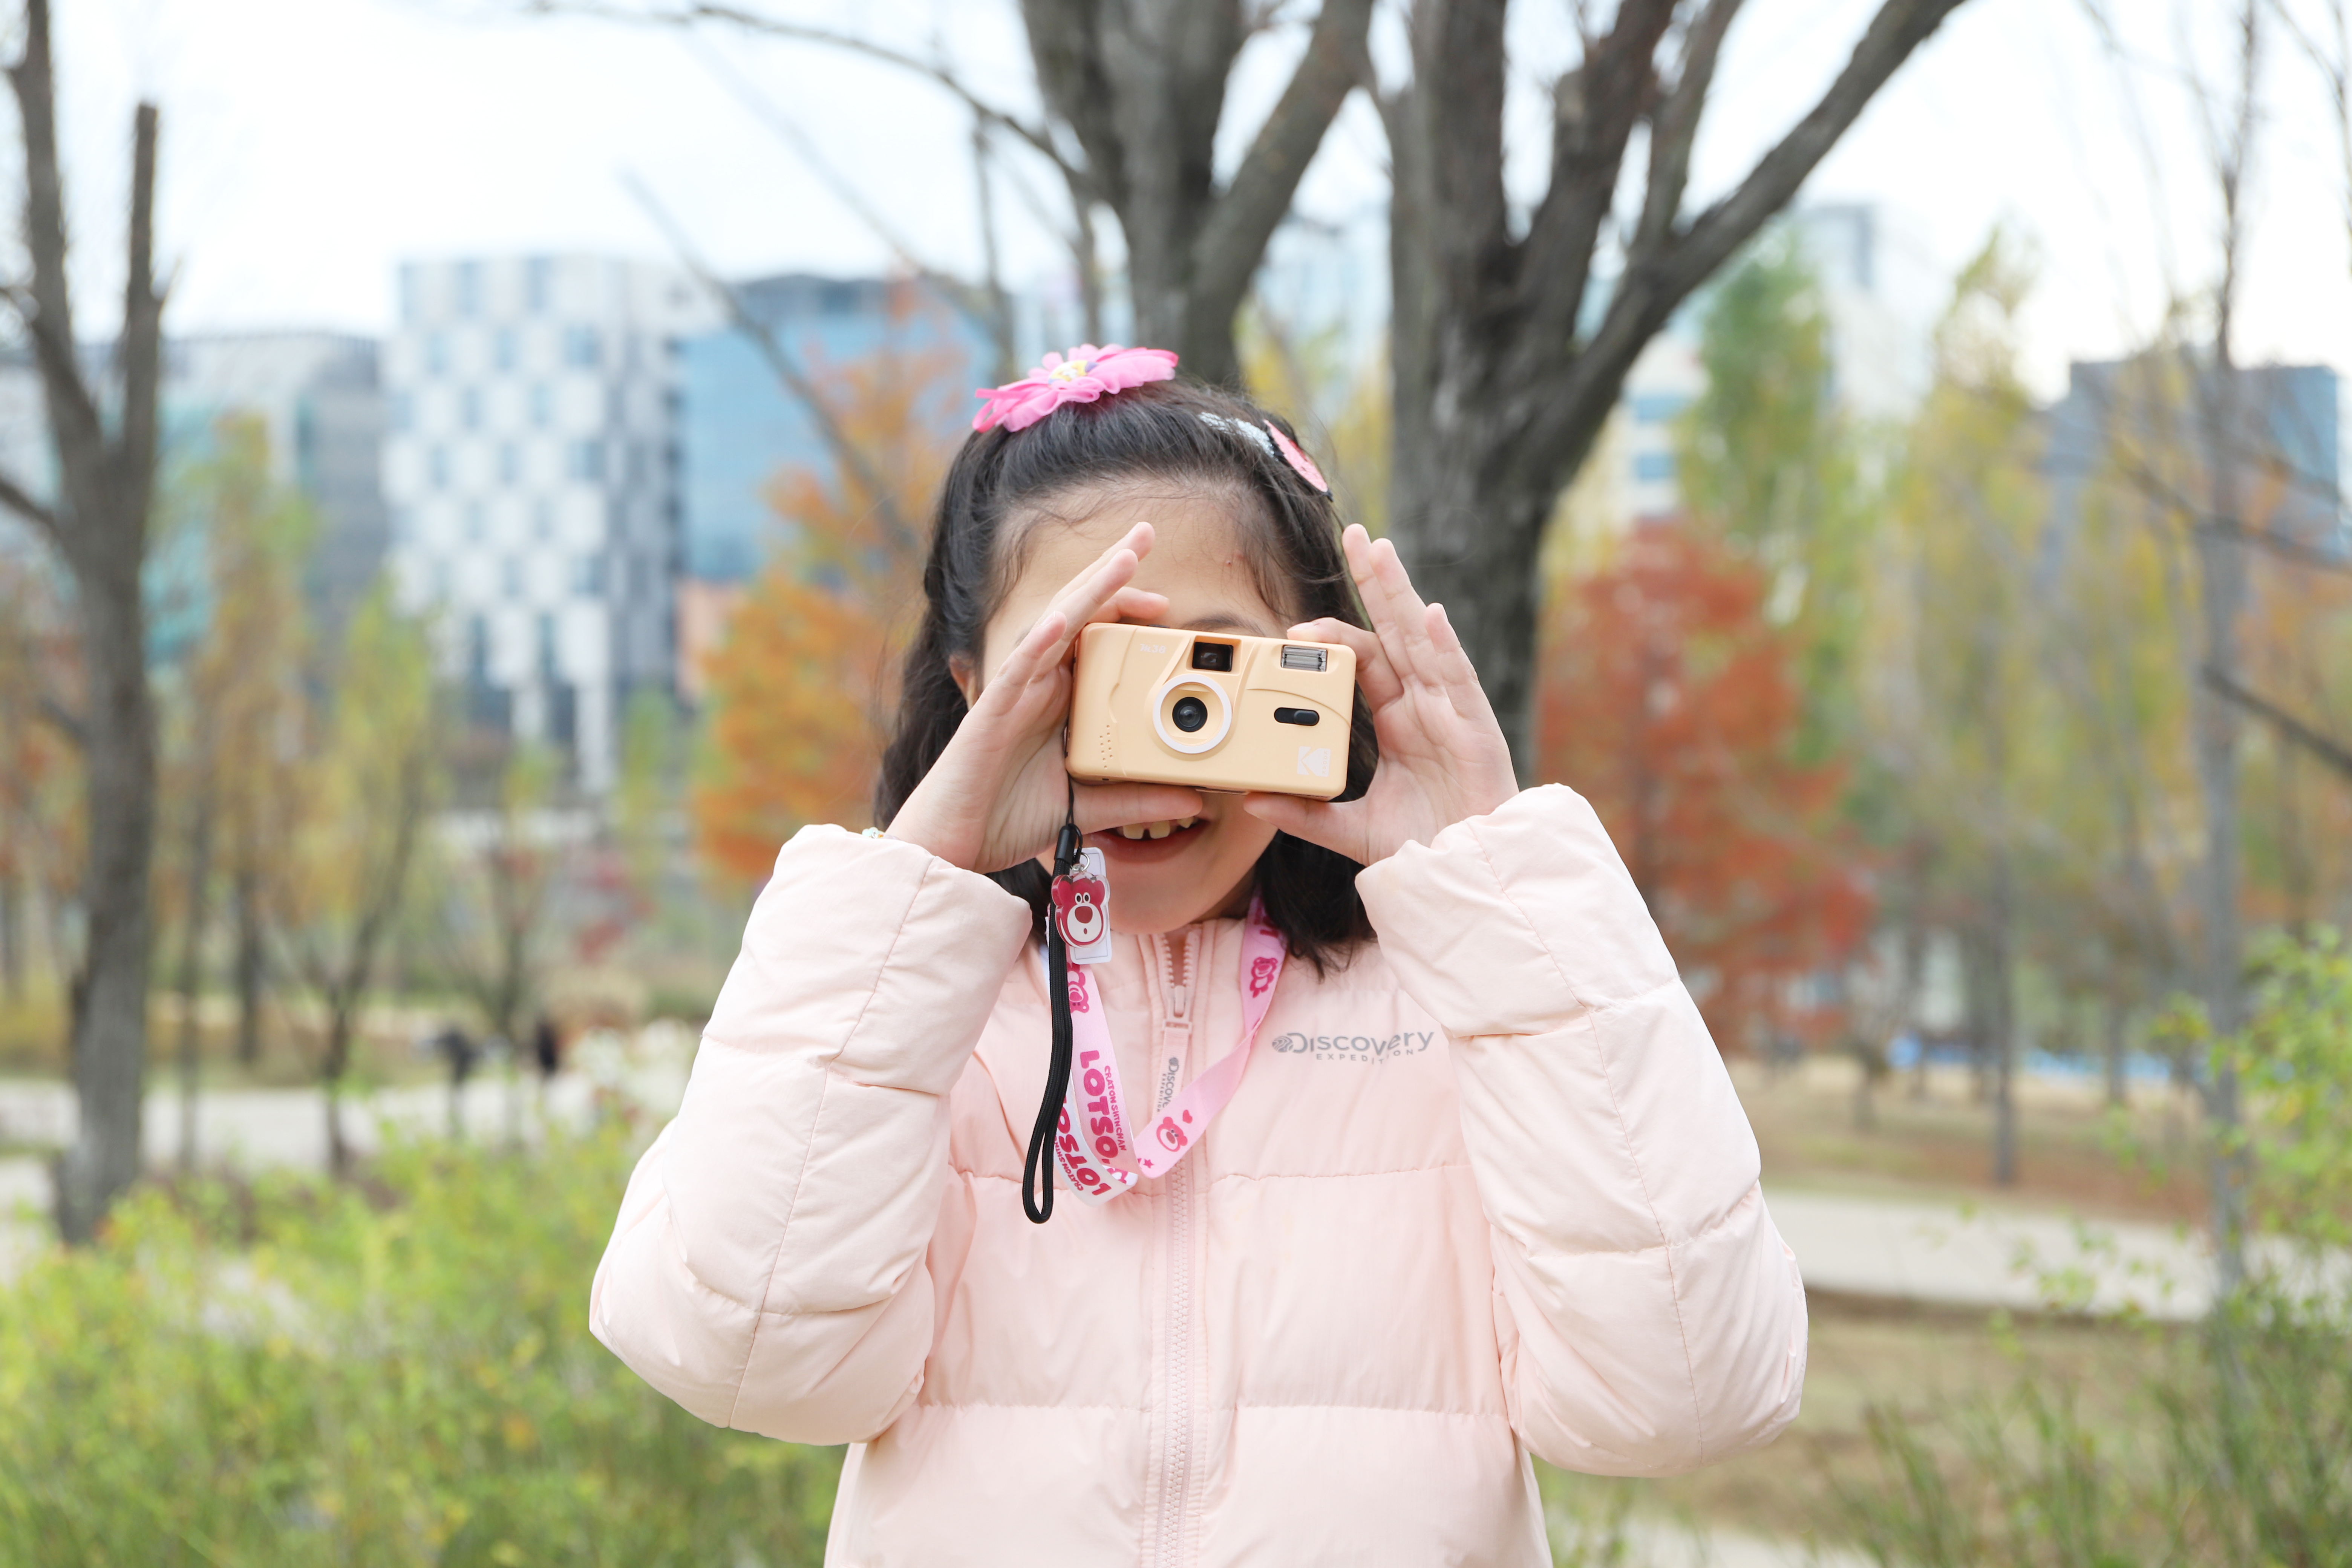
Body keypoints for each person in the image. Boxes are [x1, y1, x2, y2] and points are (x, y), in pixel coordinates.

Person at [590, 348, 1807, 1565]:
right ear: (973, 691)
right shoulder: (904, 1024)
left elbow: (1687, 1395)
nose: (1155, 745)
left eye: (1213, 672)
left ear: (1324, 676)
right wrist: (913, 896)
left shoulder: (1470, 1005)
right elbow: (745, 1356)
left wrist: (1505, 895)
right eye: (1083, 675)